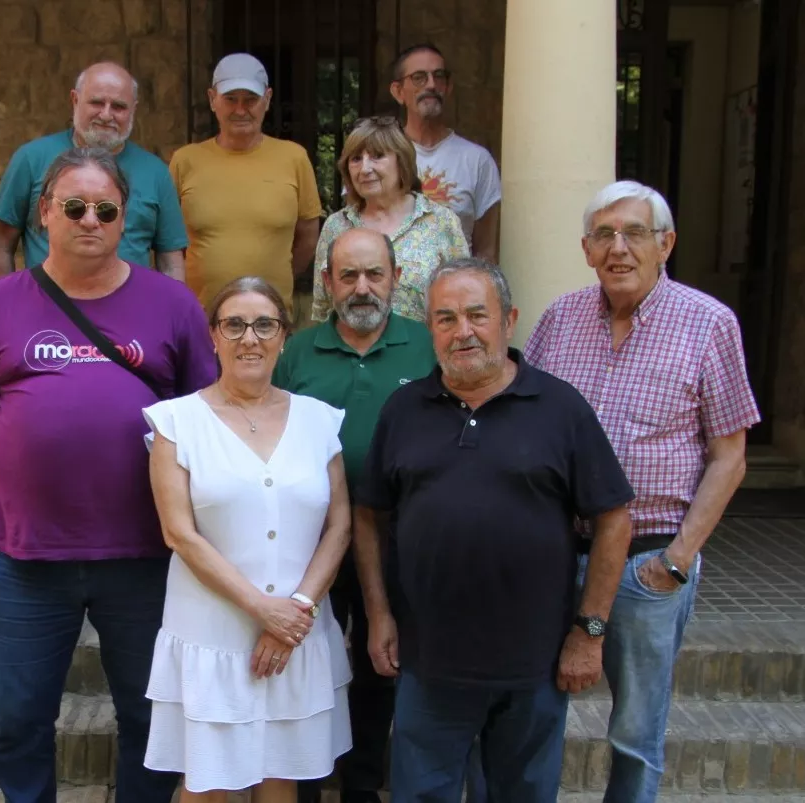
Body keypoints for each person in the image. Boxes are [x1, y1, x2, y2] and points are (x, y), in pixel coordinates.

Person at [0, 147, 217, 803]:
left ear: (125, 220)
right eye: (74, 206)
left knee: (149, 719)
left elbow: (204, 425)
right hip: (26, 556)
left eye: (105, 209)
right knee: (18, 721)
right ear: (44, 214)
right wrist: (31, 456)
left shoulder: (173, 305)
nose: (89, 219)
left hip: (144, 555)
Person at [355, 259, 635, 803]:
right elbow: (369, 515)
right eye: (445, 318)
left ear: (508, 319)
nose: (462, 331)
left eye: (477, 315)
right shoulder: (404, 409)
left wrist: (590, 631)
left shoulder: (560, 407)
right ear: (429, 328)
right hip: (429, 663)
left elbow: (614, 518)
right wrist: (378, 613)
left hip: (533, 665)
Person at [523, 180, 760, 803]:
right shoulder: (561, 317)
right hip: (555, 551)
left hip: (646, 561)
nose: (618, 248)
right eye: (604, 235)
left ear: (666, 243)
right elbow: (528, 424)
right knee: (530, 715)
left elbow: (729, 456)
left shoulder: (709, 324)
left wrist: (676, 561)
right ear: (585, 248)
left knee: (634, 730)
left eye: (634, 233)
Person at [142, 276, 353, 801]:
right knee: (208, 783)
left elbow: (341, 524)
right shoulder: (176, 423)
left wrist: (295, 611)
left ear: (284, 336)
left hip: (296, 635)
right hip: (212, 636)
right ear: (213, 336)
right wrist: (265, 611)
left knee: (280, 778)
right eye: (233, 324)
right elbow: (179, 533)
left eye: (264, 324)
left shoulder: (319, 421)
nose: (249, 338)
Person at [275, 228, 436, 803]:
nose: (362, 288)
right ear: (327, 283)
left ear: (395, 278)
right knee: (308, 668)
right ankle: (308, 784)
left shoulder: (427, 346)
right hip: (308, 545)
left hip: (399, 542)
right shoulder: (296, 352)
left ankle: (364, 786)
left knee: (379, 666)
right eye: (348, 276)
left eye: (374, 274)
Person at [0, 61, 188, 280]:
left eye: (118, 106)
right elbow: (2, 247)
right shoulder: (31, 159)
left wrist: (169, 311)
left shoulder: (155, 173)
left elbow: (171, 262)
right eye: (97, 103)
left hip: (129, 311)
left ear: (134, 109)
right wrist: (10, 308)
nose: (106, 115)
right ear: (75, 100)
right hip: (48, 306)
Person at [169, 52, 322, 313]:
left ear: (268, 99)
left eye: (250, 99)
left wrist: (275, 278)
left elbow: (308, 236)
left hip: (270, 319)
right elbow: (169, 242)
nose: (240, 110)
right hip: (200, 320)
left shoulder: (294, 158)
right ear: (212, 100)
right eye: (230, 99)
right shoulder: (185, 161)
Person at [309, 117, 468, 323]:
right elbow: (322, 308)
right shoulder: (336, 225)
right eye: (356, 159)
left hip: (421, 352)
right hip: (348, 353)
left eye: (377, 156)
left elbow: (463, 300)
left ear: (401, 162)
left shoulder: (441, 222)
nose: (365, 168)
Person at [388, 44, 502, 261]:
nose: (431, 85)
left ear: (448, 87)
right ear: (398, 91)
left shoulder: (477, 160)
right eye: (419, 77)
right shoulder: (377, 156)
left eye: (439, 76)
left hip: (455, 291)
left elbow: (486, 252)